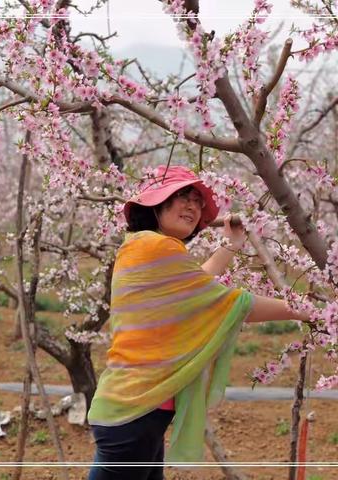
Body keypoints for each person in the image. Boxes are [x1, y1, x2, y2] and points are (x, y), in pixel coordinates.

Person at [87, 165, 309, 480]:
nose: (192, 206)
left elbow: (197, 286)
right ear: (155, 204)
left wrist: (230, 245)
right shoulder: (155, 246)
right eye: (181, 197)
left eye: (197, 201)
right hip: (133, 412)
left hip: (136, 409)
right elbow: (227, 302)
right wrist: (303, 309)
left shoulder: (147, 248)